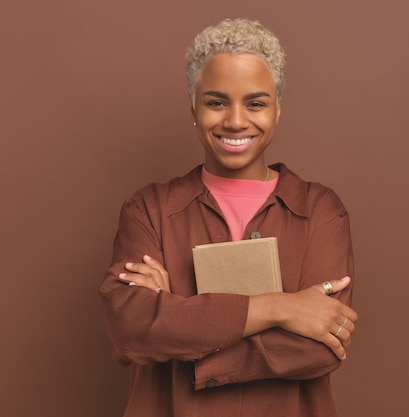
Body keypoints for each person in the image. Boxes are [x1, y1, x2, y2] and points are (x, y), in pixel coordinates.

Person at [100, 18, 358, 417]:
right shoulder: (148, 209)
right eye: (216, 102)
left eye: (255, 103)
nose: (236, 121)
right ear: (193, 108)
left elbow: (319, 347)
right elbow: (132, 330)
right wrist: (282, 308)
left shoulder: (321, 210)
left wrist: (176, 318)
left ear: (277, 109)